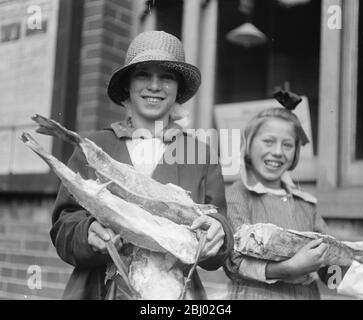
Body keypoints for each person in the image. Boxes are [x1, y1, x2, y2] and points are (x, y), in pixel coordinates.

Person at [51, 30, 233, 300]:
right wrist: (87, 232)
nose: (155, 86)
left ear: (178, 88)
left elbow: (220, 225)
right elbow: (64, 225)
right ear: (128, 84)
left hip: (174, 293)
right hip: (99, 290)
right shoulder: (94, 146)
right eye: (143, 74)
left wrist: (219, 232)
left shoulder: (200, 153)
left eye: (167, 77)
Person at [223, 91, 332, 300]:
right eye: (268, 141)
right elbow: (233, 263)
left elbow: (329, 263)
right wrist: (288, 268)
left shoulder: (306, 204)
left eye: (288, 145)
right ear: (248, 146)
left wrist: (354, 270)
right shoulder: (238, 195)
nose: (278, 152)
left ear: (296, 154)